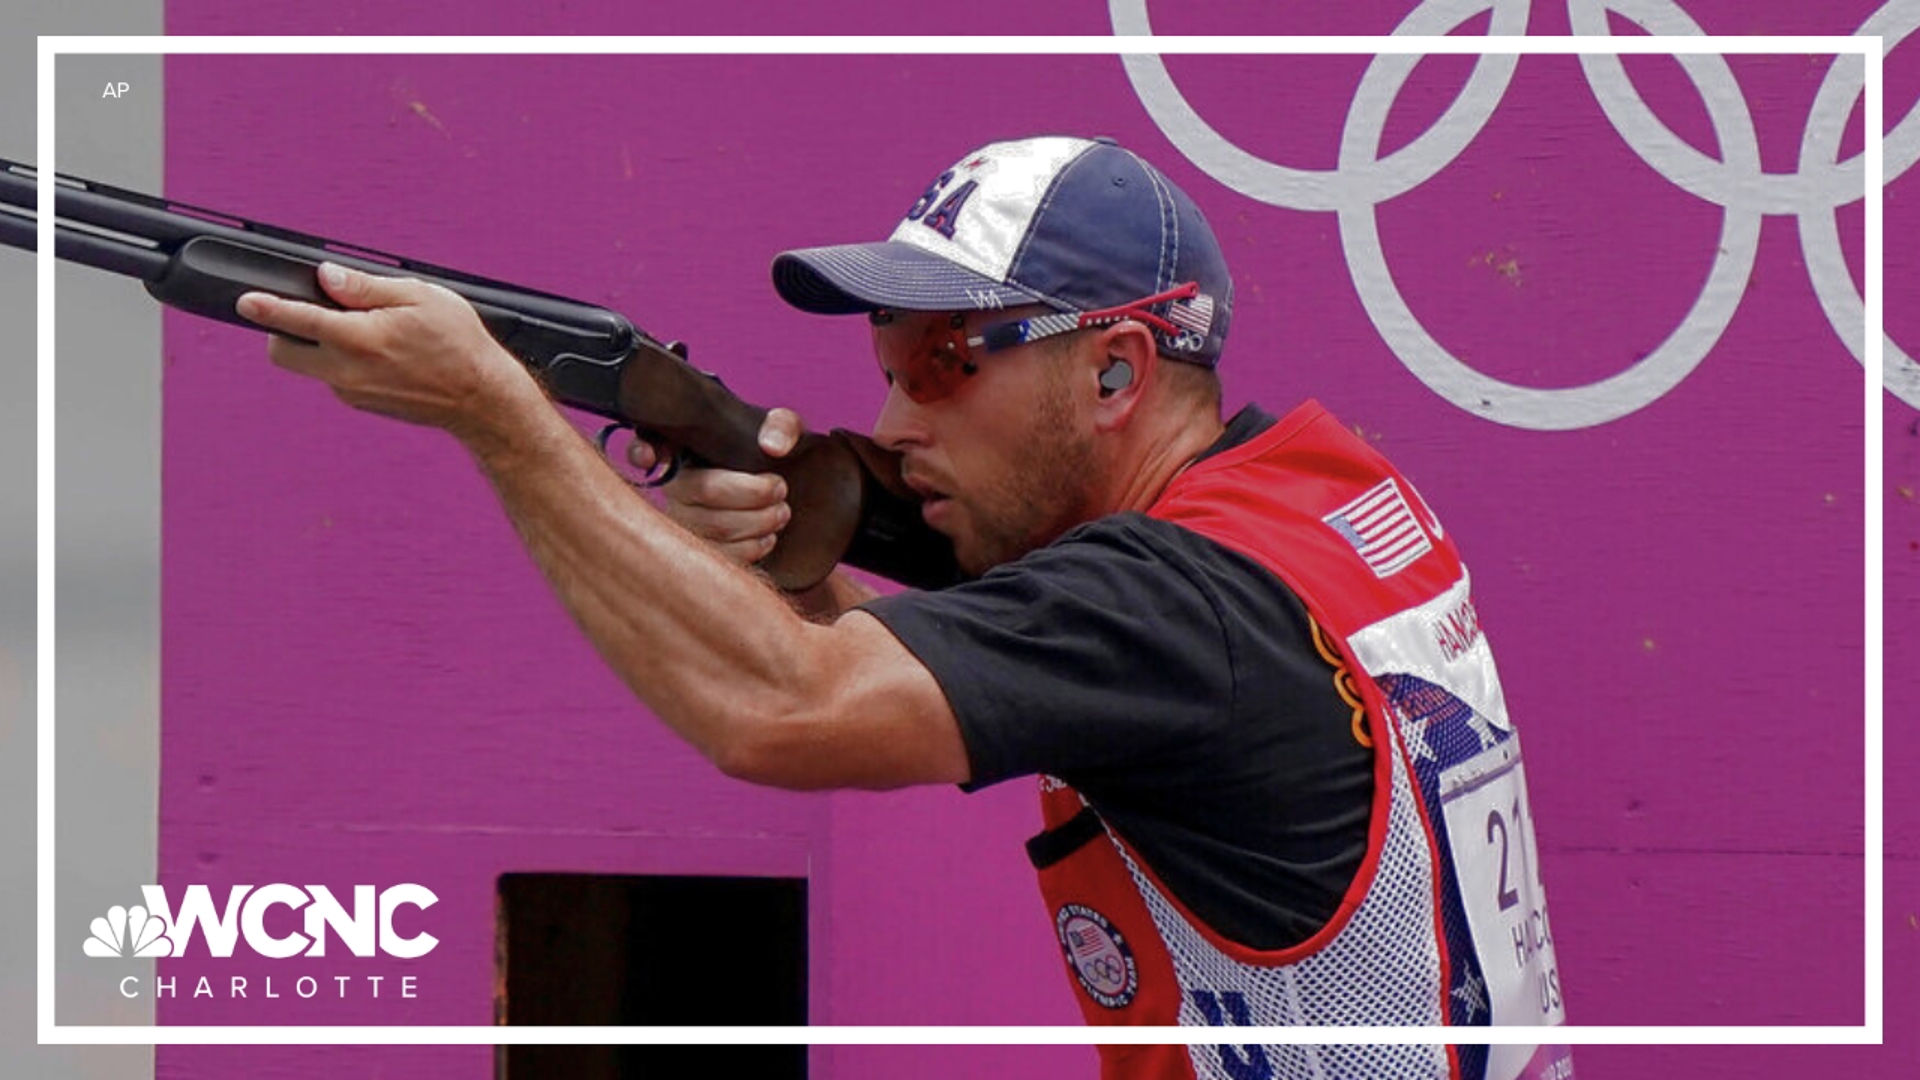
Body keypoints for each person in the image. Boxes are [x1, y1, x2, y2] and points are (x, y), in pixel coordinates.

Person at [236, 134, 1570, 1079]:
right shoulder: (1323, 502)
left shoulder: (1175, 606)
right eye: (884, 366)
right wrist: (800, 573)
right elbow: (911, 661)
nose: (889, 421)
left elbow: (784, 714)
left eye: (943, 365)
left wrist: (501, 418)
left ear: (1115, 374)